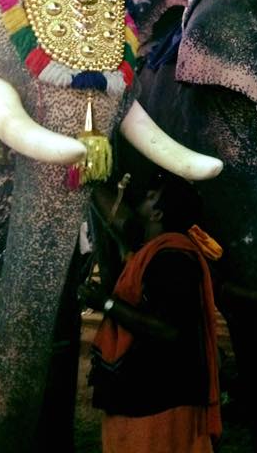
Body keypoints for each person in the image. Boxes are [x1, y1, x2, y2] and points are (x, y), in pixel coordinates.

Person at [81, 174, 223, 453]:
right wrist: (89, 178)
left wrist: (106, 303)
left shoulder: (171, 259)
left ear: (157, 213)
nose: (142, 197)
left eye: (150, 197)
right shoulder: (155, 252)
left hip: (157, 399)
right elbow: (120, 221)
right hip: (151, 395)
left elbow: (167, 328)